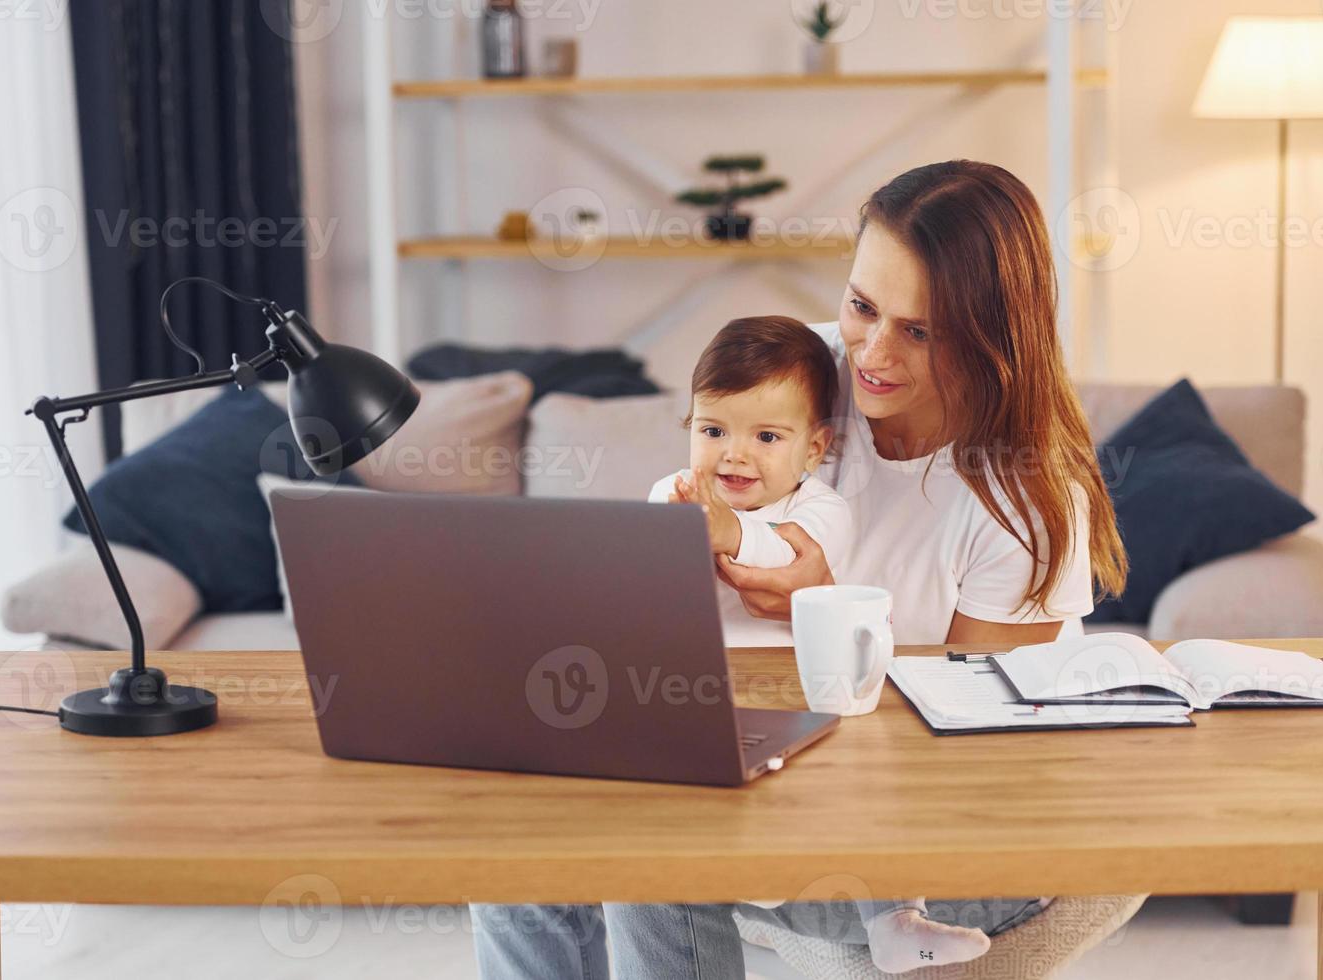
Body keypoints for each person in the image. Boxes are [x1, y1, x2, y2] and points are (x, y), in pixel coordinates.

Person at [470, 159, 1129, 980]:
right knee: (510, 826)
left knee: (657, 844)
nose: (874, 355)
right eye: (861, 306)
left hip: (931, 843)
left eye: (920, 331)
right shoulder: (803, 378)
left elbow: (967, 757)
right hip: (753, 756)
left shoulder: (1027, 501)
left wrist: (827, 622)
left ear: (993, 335)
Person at [649, 315, 851, 648]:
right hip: (685, 663)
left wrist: (729, 532)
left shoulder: (823, 509)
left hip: (786, 673)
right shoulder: (675, 492)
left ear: (813, 449)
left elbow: (788, 557)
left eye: (767, 437)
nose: (735, 454)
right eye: (714, 432)